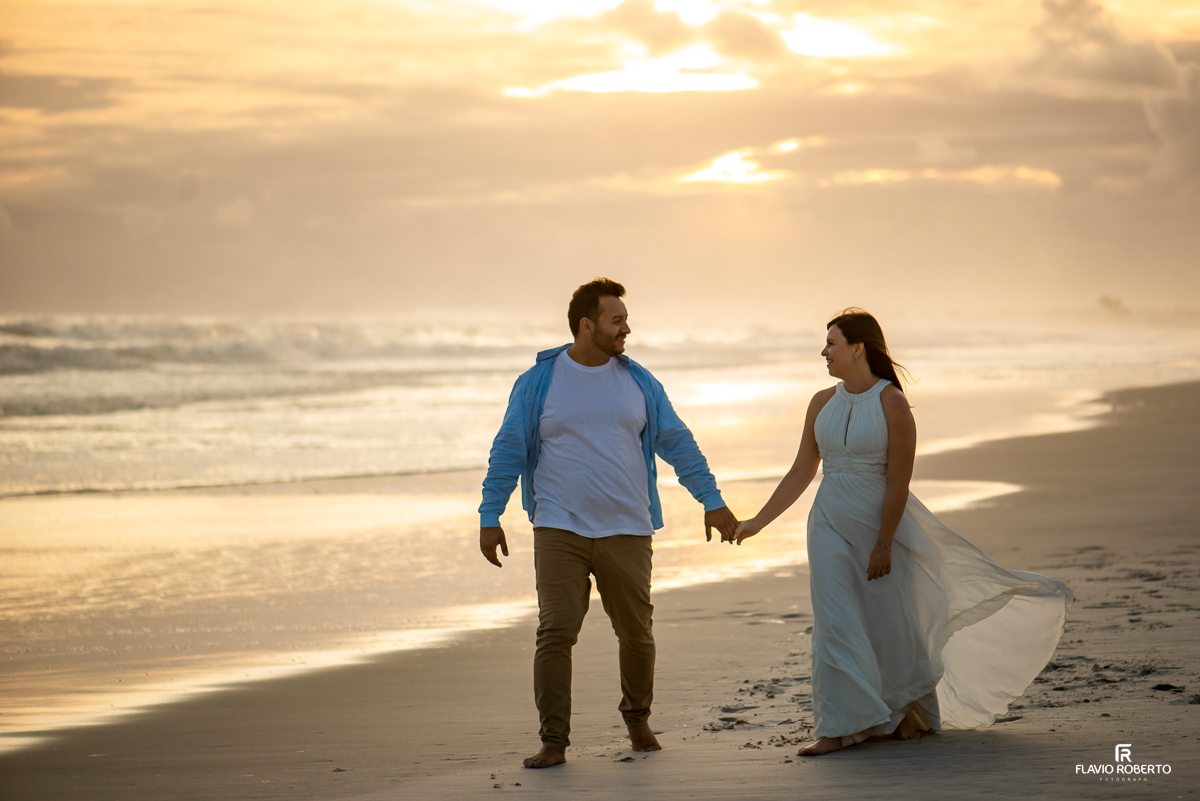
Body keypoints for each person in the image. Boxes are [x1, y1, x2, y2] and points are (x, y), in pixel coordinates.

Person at [731, 309, 1073, 757]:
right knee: (834, 622)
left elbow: (898, 482)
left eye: (831, 343)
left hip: (879, 528)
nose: (824, 351)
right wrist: (758, 521)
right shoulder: (820, 402)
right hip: (828, 524)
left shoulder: (892, 403)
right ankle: (836, 728)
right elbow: (801, 471)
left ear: (858, 348)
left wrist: (884, 543)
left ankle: (899, 717)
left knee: (890, 624)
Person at [479, 278, 739, 769]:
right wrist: (489, 514)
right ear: (587, 325)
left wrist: (711, 500)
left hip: (627, 526)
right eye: (616, 320)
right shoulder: (539, 382)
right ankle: (554, 740)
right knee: (555, 631)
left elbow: (678, 442)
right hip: (559, 527)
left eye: (624, 318)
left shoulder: (638, 382)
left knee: (636, 633)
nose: (626, 328)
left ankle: (637, 719)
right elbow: (508, 449)